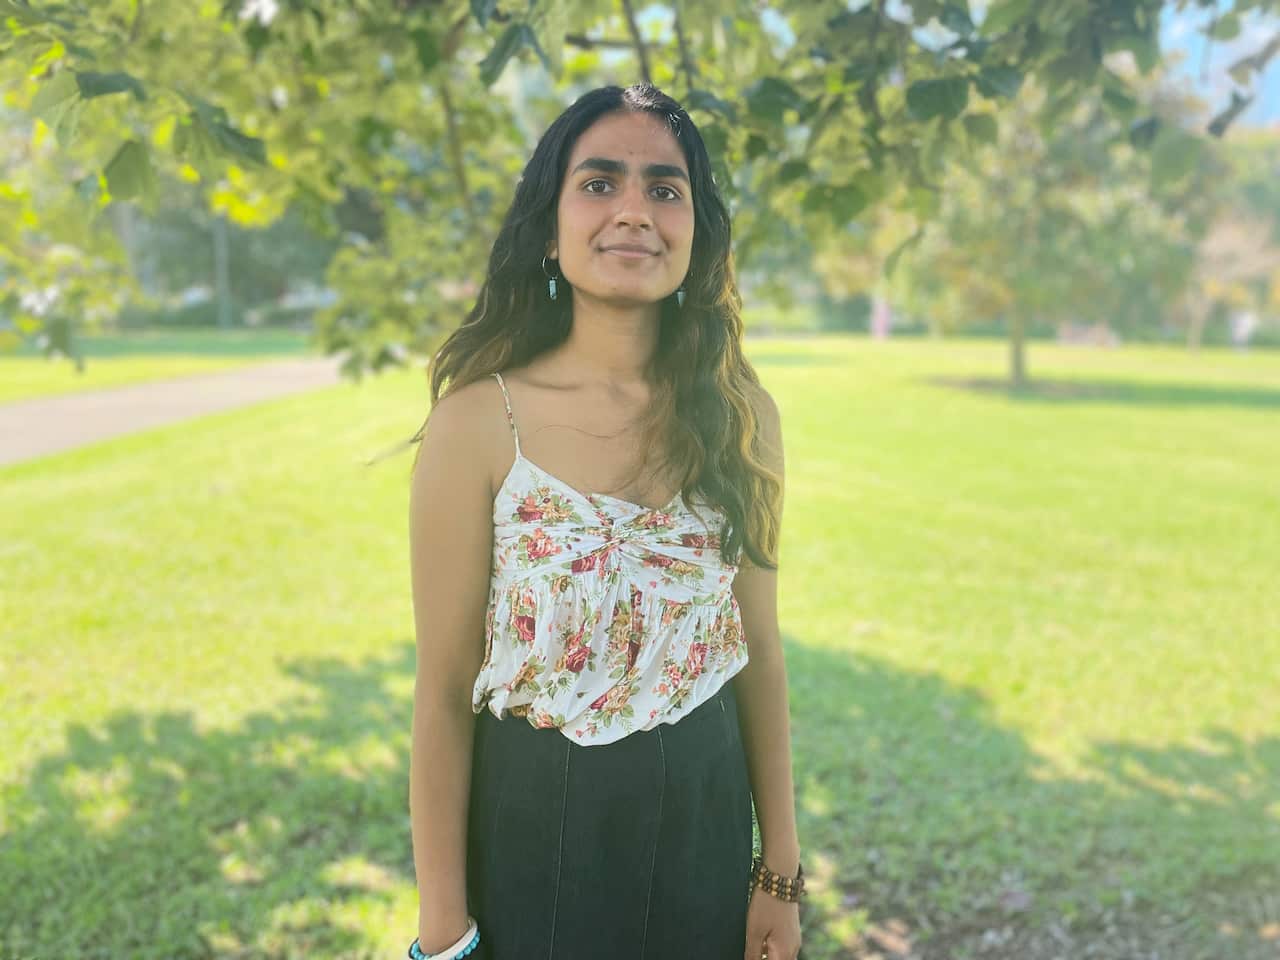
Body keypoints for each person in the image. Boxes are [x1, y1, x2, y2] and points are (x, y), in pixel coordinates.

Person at [406, 82, 803, 960]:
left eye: (665, 188)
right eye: (599, 183)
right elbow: (441, 690)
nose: (634, 210)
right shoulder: (478, 422)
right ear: (550, 229)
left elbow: (761, 654)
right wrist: (445, 932)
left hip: (706, 809)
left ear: (696, 232)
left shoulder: (742, 417)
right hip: (534, 831)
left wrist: (777, 872)